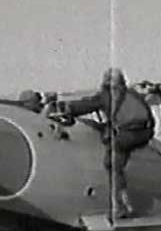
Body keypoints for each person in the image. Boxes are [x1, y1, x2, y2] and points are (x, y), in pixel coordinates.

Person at [54, 68, 155, 217]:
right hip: (146, 132)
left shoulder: (107, 95)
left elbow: (86, 105)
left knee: (112, 165)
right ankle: (125, 202)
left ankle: (121, 207)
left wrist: (65, 107)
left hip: (129, 135)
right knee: (114, 144)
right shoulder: (133, 94)